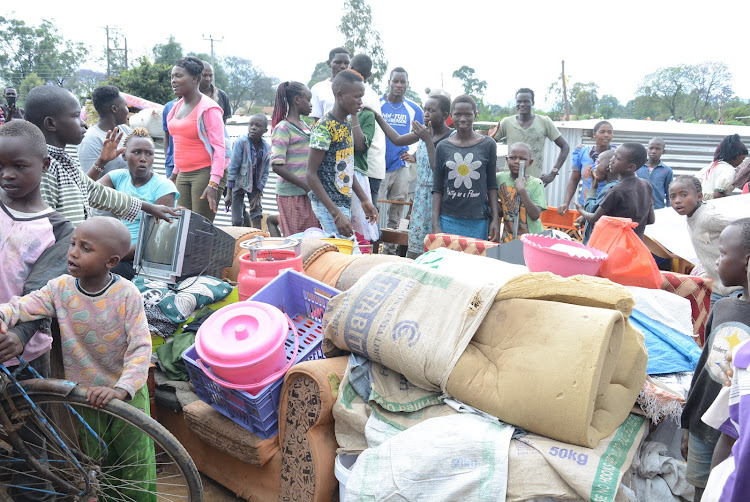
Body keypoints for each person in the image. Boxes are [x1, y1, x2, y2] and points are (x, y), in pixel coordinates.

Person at [0, 216, 156, 501]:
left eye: (85, 248)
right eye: (73, 244)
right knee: (100, 460)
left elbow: (141, 347)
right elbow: (25, 306)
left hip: (126, 392)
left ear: (111, 262)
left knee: (135, 463)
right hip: (85, 394)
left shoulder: (126, 295)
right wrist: (3, 315)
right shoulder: (60, 288)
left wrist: (121, 389)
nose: (72, 252)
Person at [0, 120, 74, 500]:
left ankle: (35, 493)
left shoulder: (58, 230)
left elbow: (43, 291)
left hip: (24, 351)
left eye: (18, 166)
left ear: (44, 165)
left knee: (31, 440)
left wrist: (19, 334)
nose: (6, 174)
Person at [24, 85, 177, 228]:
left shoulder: (64, 161)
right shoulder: (44, 167)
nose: (84, 123)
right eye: (76, 116)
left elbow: (95, 191)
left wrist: (150, 208)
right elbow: (45, 223)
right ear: (51, 124)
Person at [680, 218, 750, 502]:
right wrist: (687, 422)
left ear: (746, 261)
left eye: (722, 254)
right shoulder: (723, 307)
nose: (717, 261)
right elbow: (703, 368)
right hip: (703, 424)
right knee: (703, 491)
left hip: (737, 431)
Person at [369, 94, 453, 258]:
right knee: (416, 247)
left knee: (438, 247)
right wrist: (378, 116)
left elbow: (437, 170)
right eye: (425, 110)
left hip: (439, 199)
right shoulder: (423, 133)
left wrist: (428, 140)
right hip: (421, 199)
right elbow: (397, 139)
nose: (426, 113)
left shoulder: (452, 137)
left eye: (431, 110)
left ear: (444, 115)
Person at [97, 128, 179, 279]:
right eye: (136, 152)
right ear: (124, 155)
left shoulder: (163, 187)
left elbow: (156, 242)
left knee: (96, 272)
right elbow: (87, 191)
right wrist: (102, 161)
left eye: (149, 153)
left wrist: (112, 257)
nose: (143, 158)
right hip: (117, 254)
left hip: (142, 262)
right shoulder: (118, 177)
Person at [306, 70, 378, 239]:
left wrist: (364, 200)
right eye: (356, 96)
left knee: (345, 254)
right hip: (328, 206)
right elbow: (310, 174)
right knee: (346, 256)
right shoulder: (324, 128)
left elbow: (346, 167)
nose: (360, 101)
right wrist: (336, 214)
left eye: (362, 96)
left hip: (341, 202)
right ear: (340, 95)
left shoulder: (345, 124)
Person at [167, 56, 228, 222]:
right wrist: (174, 174)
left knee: (199, 227)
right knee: (182, 223)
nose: (174, 81)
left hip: (205, 173)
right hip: (183, 173)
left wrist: (213, 183)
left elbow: (219, 148)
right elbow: (181, 144)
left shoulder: (209, 108)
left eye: (179, 76)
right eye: (172, 76)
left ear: (194, 78)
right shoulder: (175, 107)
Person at [432, 95, 500, 241]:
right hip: (448, 218)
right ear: (451, 116)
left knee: (474, 261)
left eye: (468, 114)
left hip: (477, 219)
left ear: (475, 115)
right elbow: (437, 188)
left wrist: (495, 219)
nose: (463, 119)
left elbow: (492, 185)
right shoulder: (442, 147)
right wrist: (435, 223)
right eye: (457, 114)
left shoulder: (488, 144)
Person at [669, 175, 743, 305]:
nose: (677, 201)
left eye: (683, 195)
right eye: (673, 196)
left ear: (699, 196)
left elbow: (744, 226)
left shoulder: (707, 217)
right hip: (717, 288)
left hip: (737, 287)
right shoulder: (692, 218)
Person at [380, 67, 424, 252]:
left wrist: (414, 155)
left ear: (407, 84)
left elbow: (423, 135)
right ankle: (371, 246)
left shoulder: (414, 109)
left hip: (401, 167)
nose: (399, 85)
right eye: (395, 81)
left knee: (397, 211)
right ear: (389, 82)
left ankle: (390, 251)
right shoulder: (377, 104)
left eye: (402, 82)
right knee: (372, 208)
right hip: (378, 167)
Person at [270, 81, 320, 236]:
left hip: (308, 192)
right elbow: (277, 165)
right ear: (297, 100)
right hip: (292, 194)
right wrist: (305, 186)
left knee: (311, 235)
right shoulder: (283, 128)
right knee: (296, 239)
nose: (311, 105)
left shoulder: (305, 125)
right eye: (308, 100)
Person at [490, 88, 570, 185]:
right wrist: (495, 168)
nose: (522, 104)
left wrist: (553, 173)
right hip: (509, 181)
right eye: (519, 101)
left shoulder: (544, 122)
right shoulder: (506, 122)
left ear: (533, 103)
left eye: (526, 101)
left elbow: (565, 147)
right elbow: (489, 145)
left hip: (534, 182)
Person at [575, 142, 654, 240]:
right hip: (636, 245)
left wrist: (581, 210)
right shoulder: (646, 185)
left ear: (631, 167)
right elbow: (651, 220)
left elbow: (594, 218)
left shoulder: (616, 190)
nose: (611, 161)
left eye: (617, 158)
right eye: (613, 156)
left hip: (616, 246)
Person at [348, 55, 382, 247]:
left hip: (361, 172)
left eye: (360, 96)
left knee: (364, 223)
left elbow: (360, 145)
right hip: (340, 178)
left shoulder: (367, 112)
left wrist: (354, 114)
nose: (358, 99)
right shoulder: (332, 118)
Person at [558, 120, 615, 214]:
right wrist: (566, 203)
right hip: (586, 205)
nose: (606, 135)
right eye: (602, 132)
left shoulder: (617, 154)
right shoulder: (582, 152)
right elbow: (574, 179)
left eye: (610, 132)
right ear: (594, 135)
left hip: (608, 206)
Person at [225, 114, 270, 229]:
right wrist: (228, 193)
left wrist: (258, 196)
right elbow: (233, 167)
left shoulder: (266, 148)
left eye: (258, 125)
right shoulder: (241, 143)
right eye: (251, 124)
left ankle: (257, 238)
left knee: (256, 213)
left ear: (265, 130)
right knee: (236, 220)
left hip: (254, 184)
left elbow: (265, 173)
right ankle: (239, 241)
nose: (253, 128)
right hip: (238, 183)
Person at [77, 85, 132, 179]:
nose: (128, 110)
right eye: (125, 106)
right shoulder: (90, 141)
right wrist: (102, 162)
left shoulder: (126, 130)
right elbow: (91, 183)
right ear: (114, 109)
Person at [497, 142, 548, 242]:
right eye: (513, 158)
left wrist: (522, 190)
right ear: (507, 160)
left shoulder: (536, 184)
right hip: (508, 239)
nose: (517, 161)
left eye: (522, 159)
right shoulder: (499, 178)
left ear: (530, 162)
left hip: (531, 240)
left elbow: (535, 215)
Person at [578, 149, 616, 244]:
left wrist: (593, 189)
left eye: (598, 163)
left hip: (598, 243)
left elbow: (592, 212)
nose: (595, 167)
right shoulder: (613, 185)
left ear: (608, 166)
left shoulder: (610, 188)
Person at [698, 134, 747, 200]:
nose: (742, 162)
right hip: (712, 207)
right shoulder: (729, 170)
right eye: (743, 158)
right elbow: (718, 195)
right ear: (736, 155)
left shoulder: (708, 168)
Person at [310, 47, 351, 121]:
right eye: (338, 62)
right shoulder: (318, 89)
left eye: (346, 63)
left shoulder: (355, 88)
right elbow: (317, 122)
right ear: (329, 64)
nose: (343, 66)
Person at [636, 137, 673, 209]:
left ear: (663, 151)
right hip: (638, 207)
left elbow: (669, 193)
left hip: (657, 208)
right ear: (647, 150)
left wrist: (670, 209)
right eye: (651, 148)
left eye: (658, 149)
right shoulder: (638, 166)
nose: (653, 151)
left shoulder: (667, 170)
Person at [162, 98, 179, 178]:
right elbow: (166, 134)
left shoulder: (194, 105)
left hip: (187, 161)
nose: (175, 84)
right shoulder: (168, 107)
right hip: (171, 162)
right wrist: (167, 157)